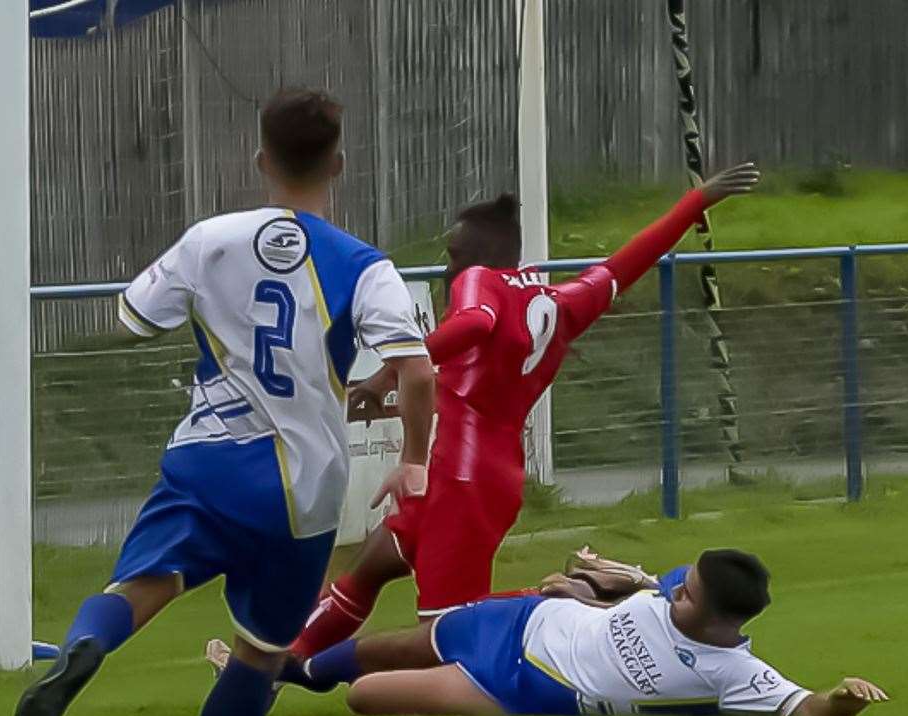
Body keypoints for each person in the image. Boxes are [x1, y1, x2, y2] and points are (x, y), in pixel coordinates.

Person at [10, 88, 436, 716]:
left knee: (144, 580)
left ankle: (86, 643)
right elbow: (418, 370)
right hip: (302, 486)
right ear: (337, 163)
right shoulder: (363, 265)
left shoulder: (209, 238)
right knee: (261, 650)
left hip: (208, 457)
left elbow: (132, 318)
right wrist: (412, 457)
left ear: (259, 159)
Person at [289, 163, 763, 657]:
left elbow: (475, 323)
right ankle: (283, 661)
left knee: (447, 635)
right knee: (372, 565)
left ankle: (581, 599)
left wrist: (394, 369)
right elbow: (627, 263)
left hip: (464, 480)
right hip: (475, 473)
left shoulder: (479, 282)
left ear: (483, 258)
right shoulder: (559, 301)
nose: (449, 269)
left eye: (454, 257)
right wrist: (694, 204)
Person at [208, 548, 888, 716]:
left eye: (686, 594)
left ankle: (277, 679)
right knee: (373, 649)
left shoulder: (734, 674)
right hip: (518, 620)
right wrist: (590, 583)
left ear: (719, 623)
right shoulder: (683, 591)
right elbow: (642, 587)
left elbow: (810, 710)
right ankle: (282, 677)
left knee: (365, 696)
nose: (676, 588)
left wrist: (845, 698)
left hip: (511, 685)